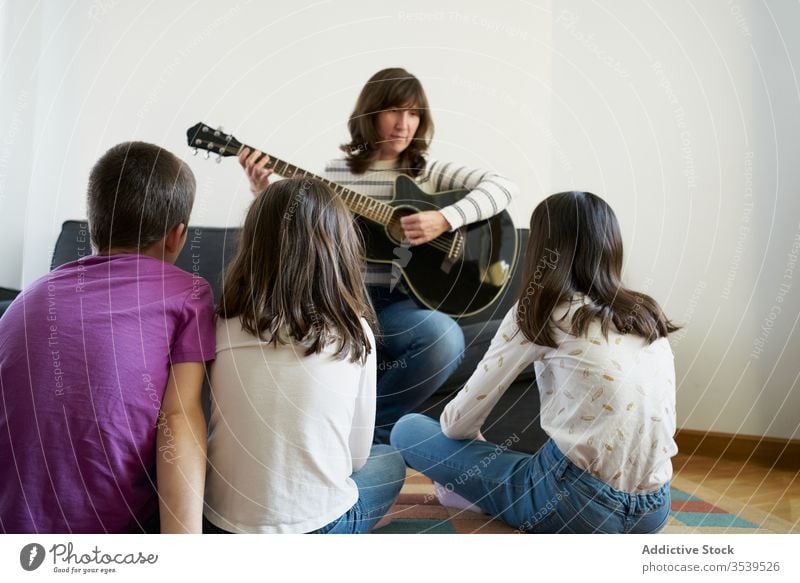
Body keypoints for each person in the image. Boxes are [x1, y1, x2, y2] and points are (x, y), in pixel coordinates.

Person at [239, 67, 519, 443]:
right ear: (370, 114)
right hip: (345, 299)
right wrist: (264, 192)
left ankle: (369, 433)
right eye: (394, 112)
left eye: (415, 113)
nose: (405, 124)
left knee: (444, 339)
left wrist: (444, 218)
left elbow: (503, 186)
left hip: (400, 306)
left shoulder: (429, 172)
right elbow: (300, 237)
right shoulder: (336, 176)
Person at [390, 191, 680, 534]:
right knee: (539, 460)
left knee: (407, 429)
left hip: (578, 507)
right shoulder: (645, 313)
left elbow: (456, 425)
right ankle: (490, 490)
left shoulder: (540, 310)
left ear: (542, 247)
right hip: (655, 508)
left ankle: (478, 493)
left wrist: (473, 452)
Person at [0, 142, 215, 533]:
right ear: (176, 236)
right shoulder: (188, 294)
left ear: (94, 222)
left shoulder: (30, 296)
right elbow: (179, 416)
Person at [203, 177, 406, 534]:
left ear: (252, 245)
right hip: (318, 530)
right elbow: (357, 458)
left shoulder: (216, 327)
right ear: (339, 249)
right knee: (388, 460)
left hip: (221, 527)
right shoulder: (355, 333)